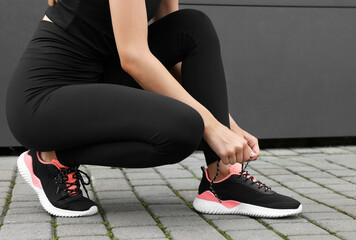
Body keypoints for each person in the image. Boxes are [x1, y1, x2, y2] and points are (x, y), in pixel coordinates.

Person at [6, 0, 302, 218]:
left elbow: (171, 56)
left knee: (192, 26)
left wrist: (225, 125)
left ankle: (222, 179)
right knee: (183, 129)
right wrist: (211, 128)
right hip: (45, 98)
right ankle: (51, 158)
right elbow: (134, 57)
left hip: (101, 77)